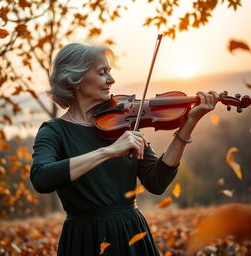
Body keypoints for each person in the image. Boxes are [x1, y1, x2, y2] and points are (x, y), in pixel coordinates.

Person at [30, 43, 219, 256]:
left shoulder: (122, 121)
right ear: (76, 80)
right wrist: (109, 151)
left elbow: (157, 182)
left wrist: (189, 123)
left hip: (131, 234)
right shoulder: (54, 131)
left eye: (110, 72)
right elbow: (41, 178)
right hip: (85, 239)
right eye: (102, 73)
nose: (111, 80)